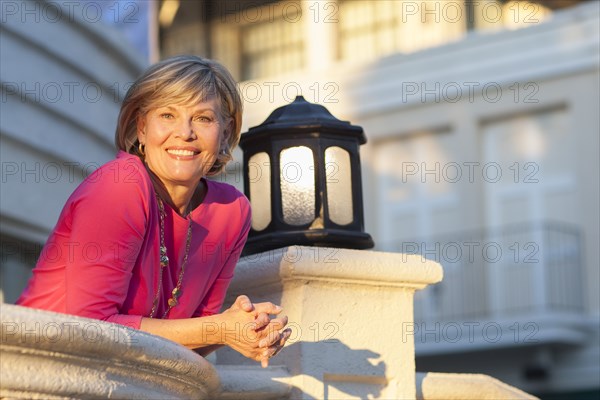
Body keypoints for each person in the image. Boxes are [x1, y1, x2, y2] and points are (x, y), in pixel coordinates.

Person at [16, 55, 291, 367]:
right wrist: (220, 329)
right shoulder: (118, 187)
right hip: (38, 369)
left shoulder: (231, 211)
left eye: (203, 118)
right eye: (168, 115)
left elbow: (190, 344)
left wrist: (250, 330)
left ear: (225, 133)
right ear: (142, 127)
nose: (185, 133)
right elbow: (89, 328)